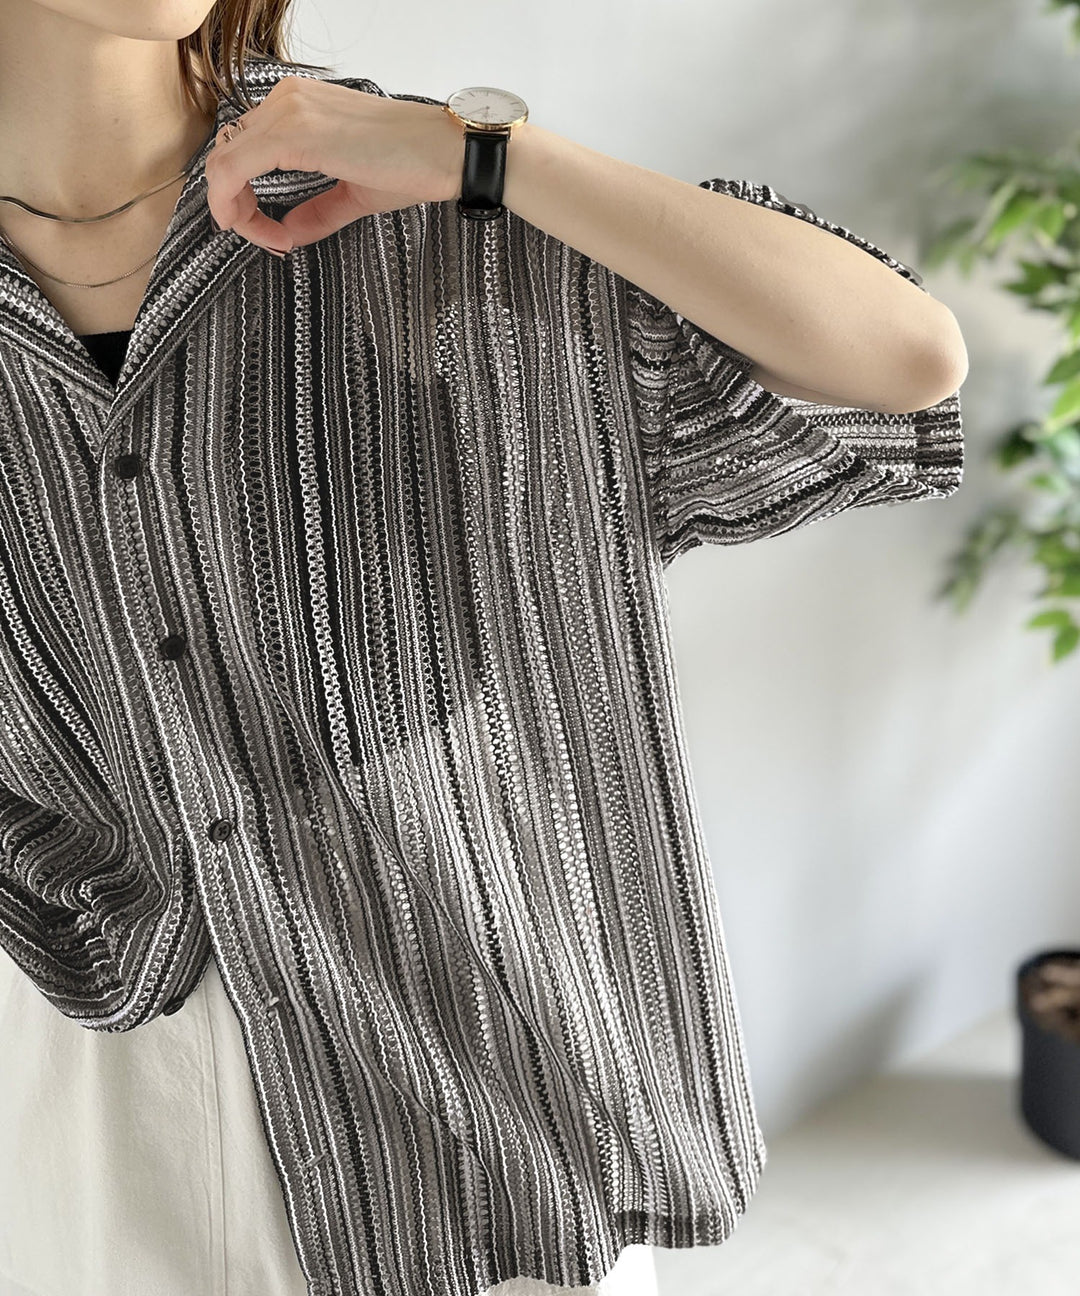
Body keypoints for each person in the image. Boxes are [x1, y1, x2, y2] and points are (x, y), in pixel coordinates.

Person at [0, 2, 968, 1295]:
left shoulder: (393, 188)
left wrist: (483, 155)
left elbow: (905, 361)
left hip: (475, 1056)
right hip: (109, 1084)